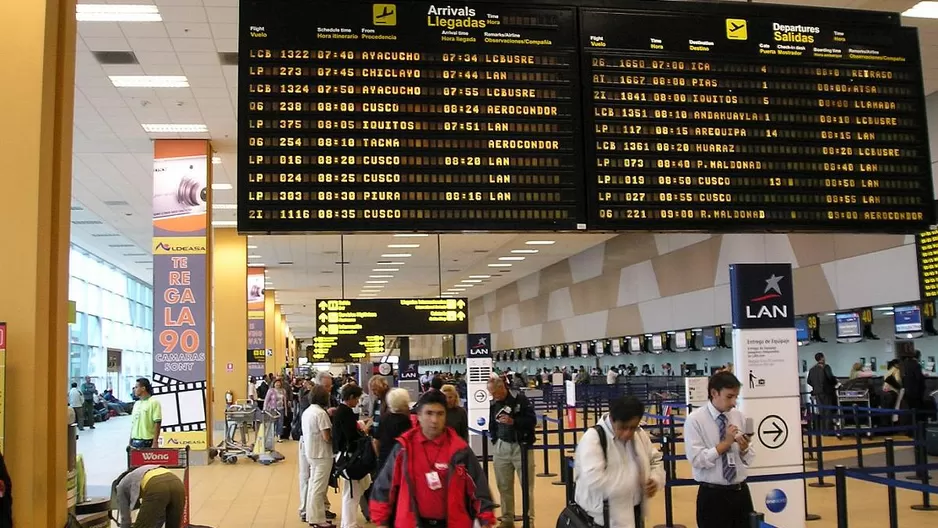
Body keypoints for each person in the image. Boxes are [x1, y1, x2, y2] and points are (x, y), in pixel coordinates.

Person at [370, 390, 497, 528]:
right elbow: (384, 487)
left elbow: (479, 488)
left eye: (440, 414)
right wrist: (381, 521)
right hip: (412, 523)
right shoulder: (403, 448)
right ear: (418, 415)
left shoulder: (460, 450)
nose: (434, 420)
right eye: (429, 413)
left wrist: (485, 519)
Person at [574, 396, 664, 528]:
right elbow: (594, 480)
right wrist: (636, 482)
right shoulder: (593, 439)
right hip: (602, 520)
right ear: (611, 419)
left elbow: (655, 460)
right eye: (622, 427)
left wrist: (655, 479)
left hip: (635, 516)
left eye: (632, 427)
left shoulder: (639, 435)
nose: (627, 433)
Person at [684, 372, 754, 528]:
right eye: (729, 397)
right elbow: (696, 459)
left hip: (740, 493)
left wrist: (744, 449)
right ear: (714, 393)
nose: (734, 402)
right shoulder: (695, 420)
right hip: (713, 496)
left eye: (736, 396)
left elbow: (749, 458)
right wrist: (725, 443)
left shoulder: (738, 416)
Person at [487, 376, 537, 528]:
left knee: (526, 486)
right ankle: (507, 519)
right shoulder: (494, 403)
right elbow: (492, 424)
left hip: (521, 447)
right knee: (504, 486)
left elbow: (532, 421)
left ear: (503, 388)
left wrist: (513, 422)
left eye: (495, 392)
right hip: (502, 447)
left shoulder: (520, 399)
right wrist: (495, 440)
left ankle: (529, 521)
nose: (494, 396)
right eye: (491, 393)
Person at [333, 384, 368, 528]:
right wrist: (363, 433)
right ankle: (349, 524)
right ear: (351, 397)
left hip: (343, 455)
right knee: (352, 492)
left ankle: (348, 522)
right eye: (357, 399)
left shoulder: (340, 411)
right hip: (348, 457)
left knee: (356, 488)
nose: (358, 402)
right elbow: (351, 436)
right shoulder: (345, 412)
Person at [302, 385, 335, 528]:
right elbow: (327, 437)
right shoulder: (321, 414)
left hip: (311, 452)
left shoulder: (308, 411)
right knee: (319, 488)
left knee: (313, 486)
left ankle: (312, 515)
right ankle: (318, 519)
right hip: (322, 454)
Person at [115, 465, 185, 528]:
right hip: (177, 483)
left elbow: (125, 520)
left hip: (156, 484)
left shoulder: (120, 487)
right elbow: (160, 516)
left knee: (142, 525)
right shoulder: (140, 474)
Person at [373, 388, 413, 472]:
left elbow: (375, 441)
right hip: (397, 463)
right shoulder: (405, 422)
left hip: (384, 461)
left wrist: (379, 457)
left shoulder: (384, 418)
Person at [806, 352, 840, 430]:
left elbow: (808, 381)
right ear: (822, 358)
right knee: (828, 411)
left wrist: (815, 386)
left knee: (821, 411)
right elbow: (830, 378)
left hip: (817, 393)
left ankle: (822, 430)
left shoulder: (812, 369)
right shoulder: (826, 367)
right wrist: (835, 382)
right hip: (827, 392)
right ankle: (828, 430)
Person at [129, 378, 162, 449]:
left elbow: (157, 422)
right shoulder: (136, 404)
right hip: (134, 441)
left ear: (143, 388)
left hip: (147, 441)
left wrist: (155, 442)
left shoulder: (154, 402)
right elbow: (133, 424)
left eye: (136, 387)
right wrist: (130, 441)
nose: (134, 389)